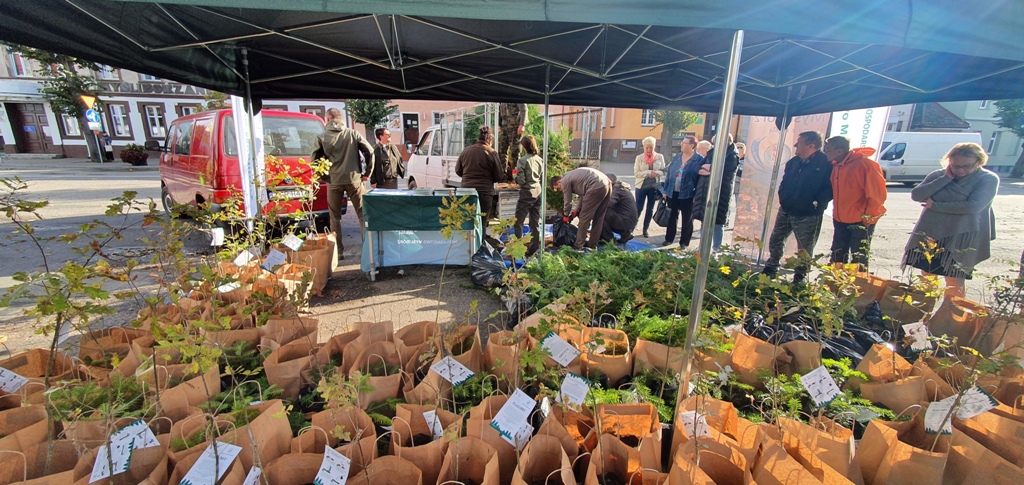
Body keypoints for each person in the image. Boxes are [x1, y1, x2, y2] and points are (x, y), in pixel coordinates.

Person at [902, 142, 998, 298]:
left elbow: (973, 206)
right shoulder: (938, 175)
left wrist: (936, 205)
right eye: (955, 166)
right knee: (927, 276)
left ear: (979, 162)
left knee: (954, 279)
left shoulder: (987, 179)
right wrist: (945, 178)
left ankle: (951, 319)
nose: (960, 170)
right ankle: (922, 315)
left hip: (962, 235)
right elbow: (917, 195)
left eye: (967, 166)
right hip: (933, 233)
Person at [761, 131, 833, 284]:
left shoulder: (825, 164)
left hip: (808, 213)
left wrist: (816, 203)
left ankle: (799, 277)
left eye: (799, 143)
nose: (795, 145)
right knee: (776, 238)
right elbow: (785, 182)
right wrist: (783, 197)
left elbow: (830, 188)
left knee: (804, 247)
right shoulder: (793, 162)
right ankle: (772, 266)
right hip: (787, 208)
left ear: (811, 146)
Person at [312, 108, 374, 260]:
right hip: (354, 180)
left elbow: (314, 160)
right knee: (362, 216)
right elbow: (370, 151)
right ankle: (367, 250)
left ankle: (338, 253)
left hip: (334, 181)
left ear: (328, 118)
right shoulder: (353, 133)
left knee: (335, 218)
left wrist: (324, 177)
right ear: (341, 118)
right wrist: (367, 173)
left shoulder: (322, 136)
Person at [824, 135, 886, 270]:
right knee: (837, 255)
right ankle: (834, 286)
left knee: (859, 259)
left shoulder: (865, 165)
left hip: (860, 221)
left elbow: (877, 195)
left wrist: (868, 218)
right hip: (841, 219)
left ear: (839, 151)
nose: (825, 152)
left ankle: (857, 287)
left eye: (828, 149)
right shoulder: (837, 165)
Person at [691, 134, 740, 250]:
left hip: (721, 192)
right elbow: (697, 166)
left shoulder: (732, 155)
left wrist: (710, 168)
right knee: (705, 218)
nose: (715, 144)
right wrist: (703, 169)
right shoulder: (712, 152)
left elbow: (724, 171)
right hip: (706, 189)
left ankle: (716, 248)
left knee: (718, 222)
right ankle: (702, 246)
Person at [456, 126, 505, 238]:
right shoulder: (492, 153)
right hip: (484, 193)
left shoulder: (466, 151)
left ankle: (466, 247)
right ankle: (479, 249)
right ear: (489, 140)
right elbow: (498, 176)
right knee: (481, 223)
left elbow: (458, 171)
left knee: (467, 220)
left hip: (466, 191)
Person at [550, 167, 612, 250]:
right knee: (599, 217)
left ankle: (578, 245)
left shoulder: (564, 181)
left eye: (558, 188)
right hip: (606, 183)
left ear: (558, 182)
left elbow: (568, 201)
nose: (560, 190)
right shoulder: (572, 176)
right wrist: (576, 211)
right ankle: (592, 244)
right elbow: (582, 196)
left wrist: (565, 215)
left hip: (595, 186)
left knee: (584, 218)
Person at [661, 136, 703, 247]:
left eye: (684, 143)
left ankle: (684, 242)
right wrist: (665, 190)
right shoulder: (677, 157)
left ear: (692, 145)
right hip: (673, 191)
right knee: (672, 216)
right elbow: (669, 174)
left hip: (689, 193)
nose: (681, 145)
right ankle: (669, 239)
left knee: (687, 219)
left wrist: (697, 195)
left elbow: (700, 180)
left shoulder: (699, 159)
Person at [513, 135, 544, 256]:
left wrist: (515, 176)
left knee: (518, 222)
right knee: (535, 221)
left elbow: (521, 181)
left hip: (527, 192)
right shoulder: (539, 159)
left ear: (524, 146)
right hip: (538, 190)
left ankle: (517, 249)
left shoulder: (522, 160)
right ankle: (533, 249)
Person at [633, 136, 666, 238]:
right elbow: (636, 173)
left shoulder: (659, 157)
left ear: (654, 147)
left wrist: (657, 173)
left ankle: (645, 229)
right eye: (647, 147)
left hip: (654, 187)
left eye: (651, 147)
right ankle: (632, 228)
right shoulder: (639, 158)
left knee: (650, 209)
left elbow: (664, 171)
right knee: (638, 208)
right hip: (641, 186)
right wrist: (648, 172)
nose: (649, 150)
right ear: (644, 147)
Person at [601, 173, 638, 244]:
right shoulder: (620, 187)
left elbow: (608, 203)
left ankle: (610, 240)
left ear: (609, 181)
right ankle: (625, 234)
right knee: (606, 213)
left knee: (601, 214)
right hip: (628, 220)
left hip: (626, 220)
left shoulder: (617, 189)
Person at [499, 103, 527, 178]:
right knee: (502, 151)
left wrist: (522, 124)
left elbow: (524, 109)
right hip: (504, 127)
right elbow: (499, 111)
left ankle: (515, 176)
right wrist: (499, 124)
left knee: (515, 152)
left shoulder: (516, 94)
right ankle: (502, 176)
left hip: (515, 128)